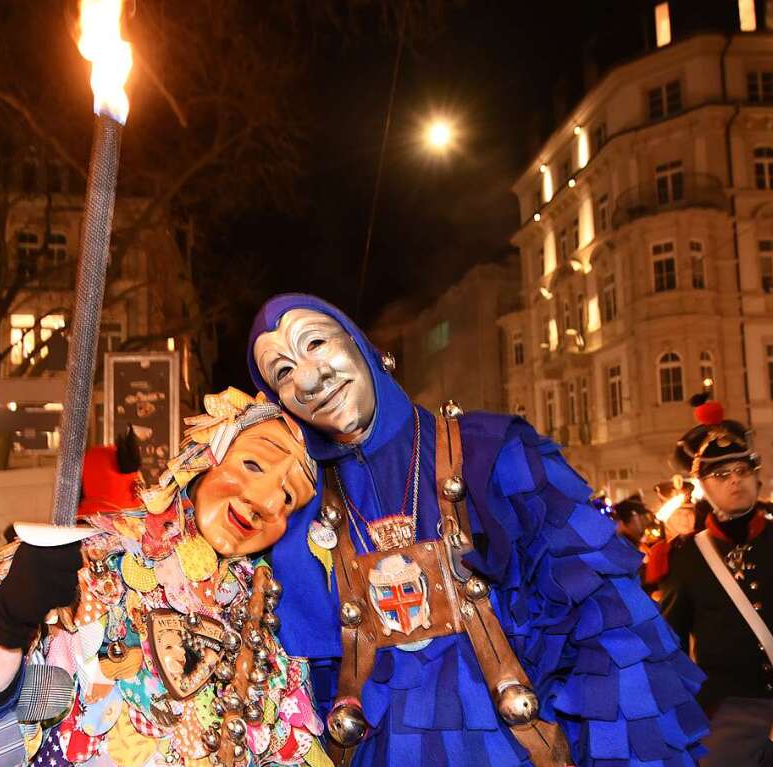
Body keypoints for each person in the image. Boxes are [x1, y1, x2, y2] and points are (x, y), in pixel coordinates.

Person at [248, 294, 707, 766]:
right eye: (281, 372)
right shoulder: (296, 513)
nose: (308, 377)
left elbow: (609, 626)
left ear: (362, 345)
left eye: (316, 342)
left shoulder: (492, 454)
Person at [0, 389, 328, 767]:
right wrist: (6, 626)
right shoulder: (94, 560)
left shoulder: (264, 618)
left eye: (288, 498)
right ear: (204, 459)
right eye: (253, 464)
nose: (267, 501)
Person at [659, 394, 773, 766]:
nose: (735, 482)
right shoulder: (684, 556)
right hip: (724, 714)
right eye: (721, 475)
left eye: (742, 471)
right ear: (701, 486)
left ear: (756, 477)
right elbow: (673, 646)